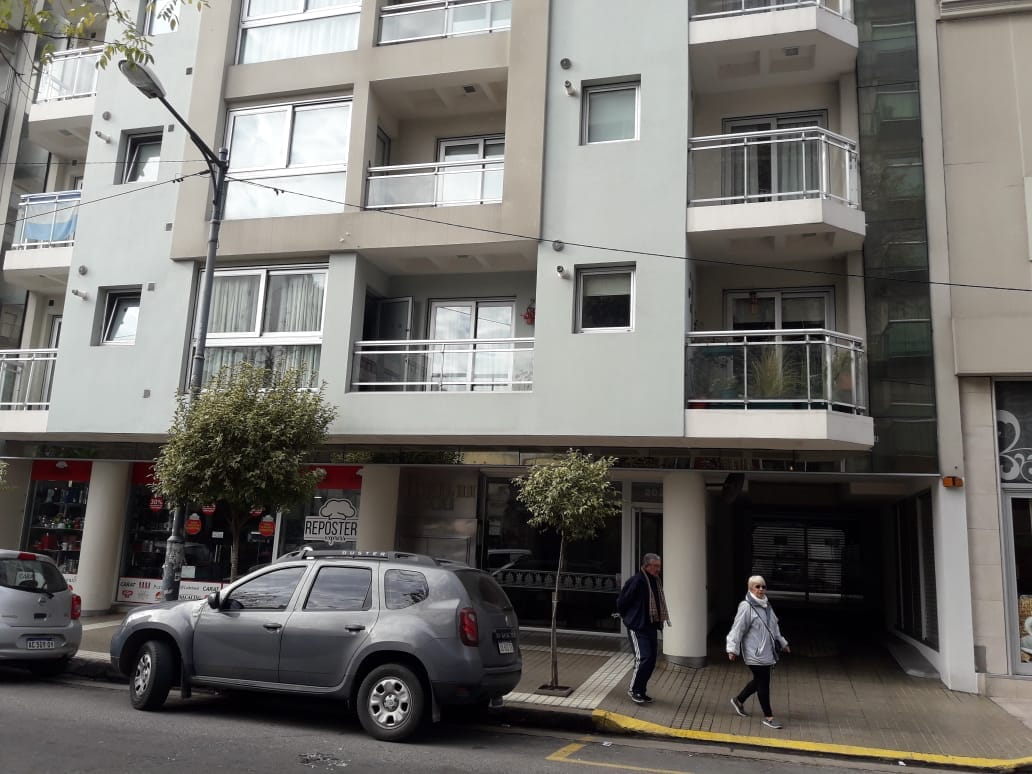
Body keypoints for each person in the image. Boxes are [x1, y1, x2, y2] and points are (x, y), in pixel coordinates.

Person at [726, 575, 790, 730]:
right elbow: (737, 628)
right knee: (763, 683)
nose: (761, 589)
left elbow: (774, 627)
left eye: (763, 586)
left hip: (767, 652)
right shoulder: (746, 606)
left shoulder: (767, 606)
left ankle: (738, 700)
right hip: (754, 653)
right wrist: (732, 649)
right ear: (750, 588)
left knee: (759, 681)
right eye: (757, 586)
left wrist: (783, 643)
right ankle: (769, 717)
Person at [617, 553, 670, 704]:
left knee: (651, 660)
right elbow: (622, 602)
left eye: (659, 566)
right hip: (637, 627)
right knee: (643, 658)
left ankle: (641, 691)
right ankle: (634, 690)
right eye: (656, 566)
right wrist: (630, 618)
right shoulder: (637, 581)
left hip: (650, 626)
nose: (659, 569)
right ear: (647, 566)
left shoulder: (655, 581)